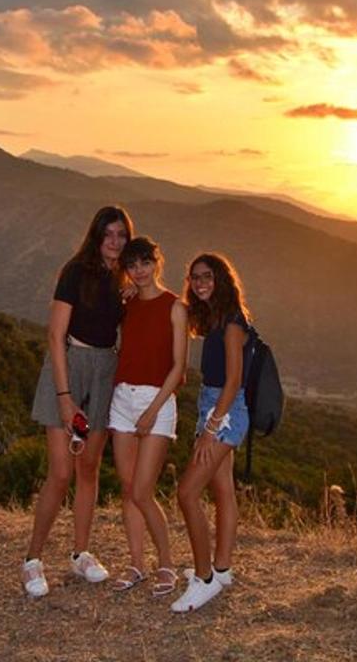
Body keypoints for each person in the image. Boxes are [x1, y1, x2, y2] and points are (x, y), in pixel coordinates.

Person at [22, 205, 133, 598]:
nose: (115, 242)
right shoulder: (74, 271)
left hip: (105, 371)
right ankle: (32, 560)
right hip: (68, 368)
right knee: (61, 472)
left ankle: (80, 553)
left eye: (121, 235)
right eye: (109, 234)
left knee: (88, 469)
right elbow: (55, 335)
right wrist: (65, 398)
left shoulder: (124, 278)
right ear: (96, 235)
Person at [107, 236, 188, 597]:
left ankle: (167, 565)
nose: (139, 271)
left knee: (143, 490)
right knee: (128, 490)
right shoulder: (126, 305)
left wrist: (152, 411)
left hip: (158, 403)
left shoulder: (175, 306)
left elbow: (179, 367)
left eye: (144, 263)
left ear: (157, 262)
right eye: (132, 265)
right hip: (122, 398)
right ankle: (137, 564)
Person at [171, 252, 251, 613]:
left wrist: (210, 429)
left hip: (226, 411)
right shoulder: (216, 319)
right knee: (223, 491)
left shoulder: (233, 323)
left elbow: (233, 381)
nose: (200, 283)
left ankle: (203, 580)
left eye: (207, 276)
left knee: (187, 493)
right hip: (213, 404)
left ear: (221, 279)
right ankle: (221, 570)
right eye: (194, 278)